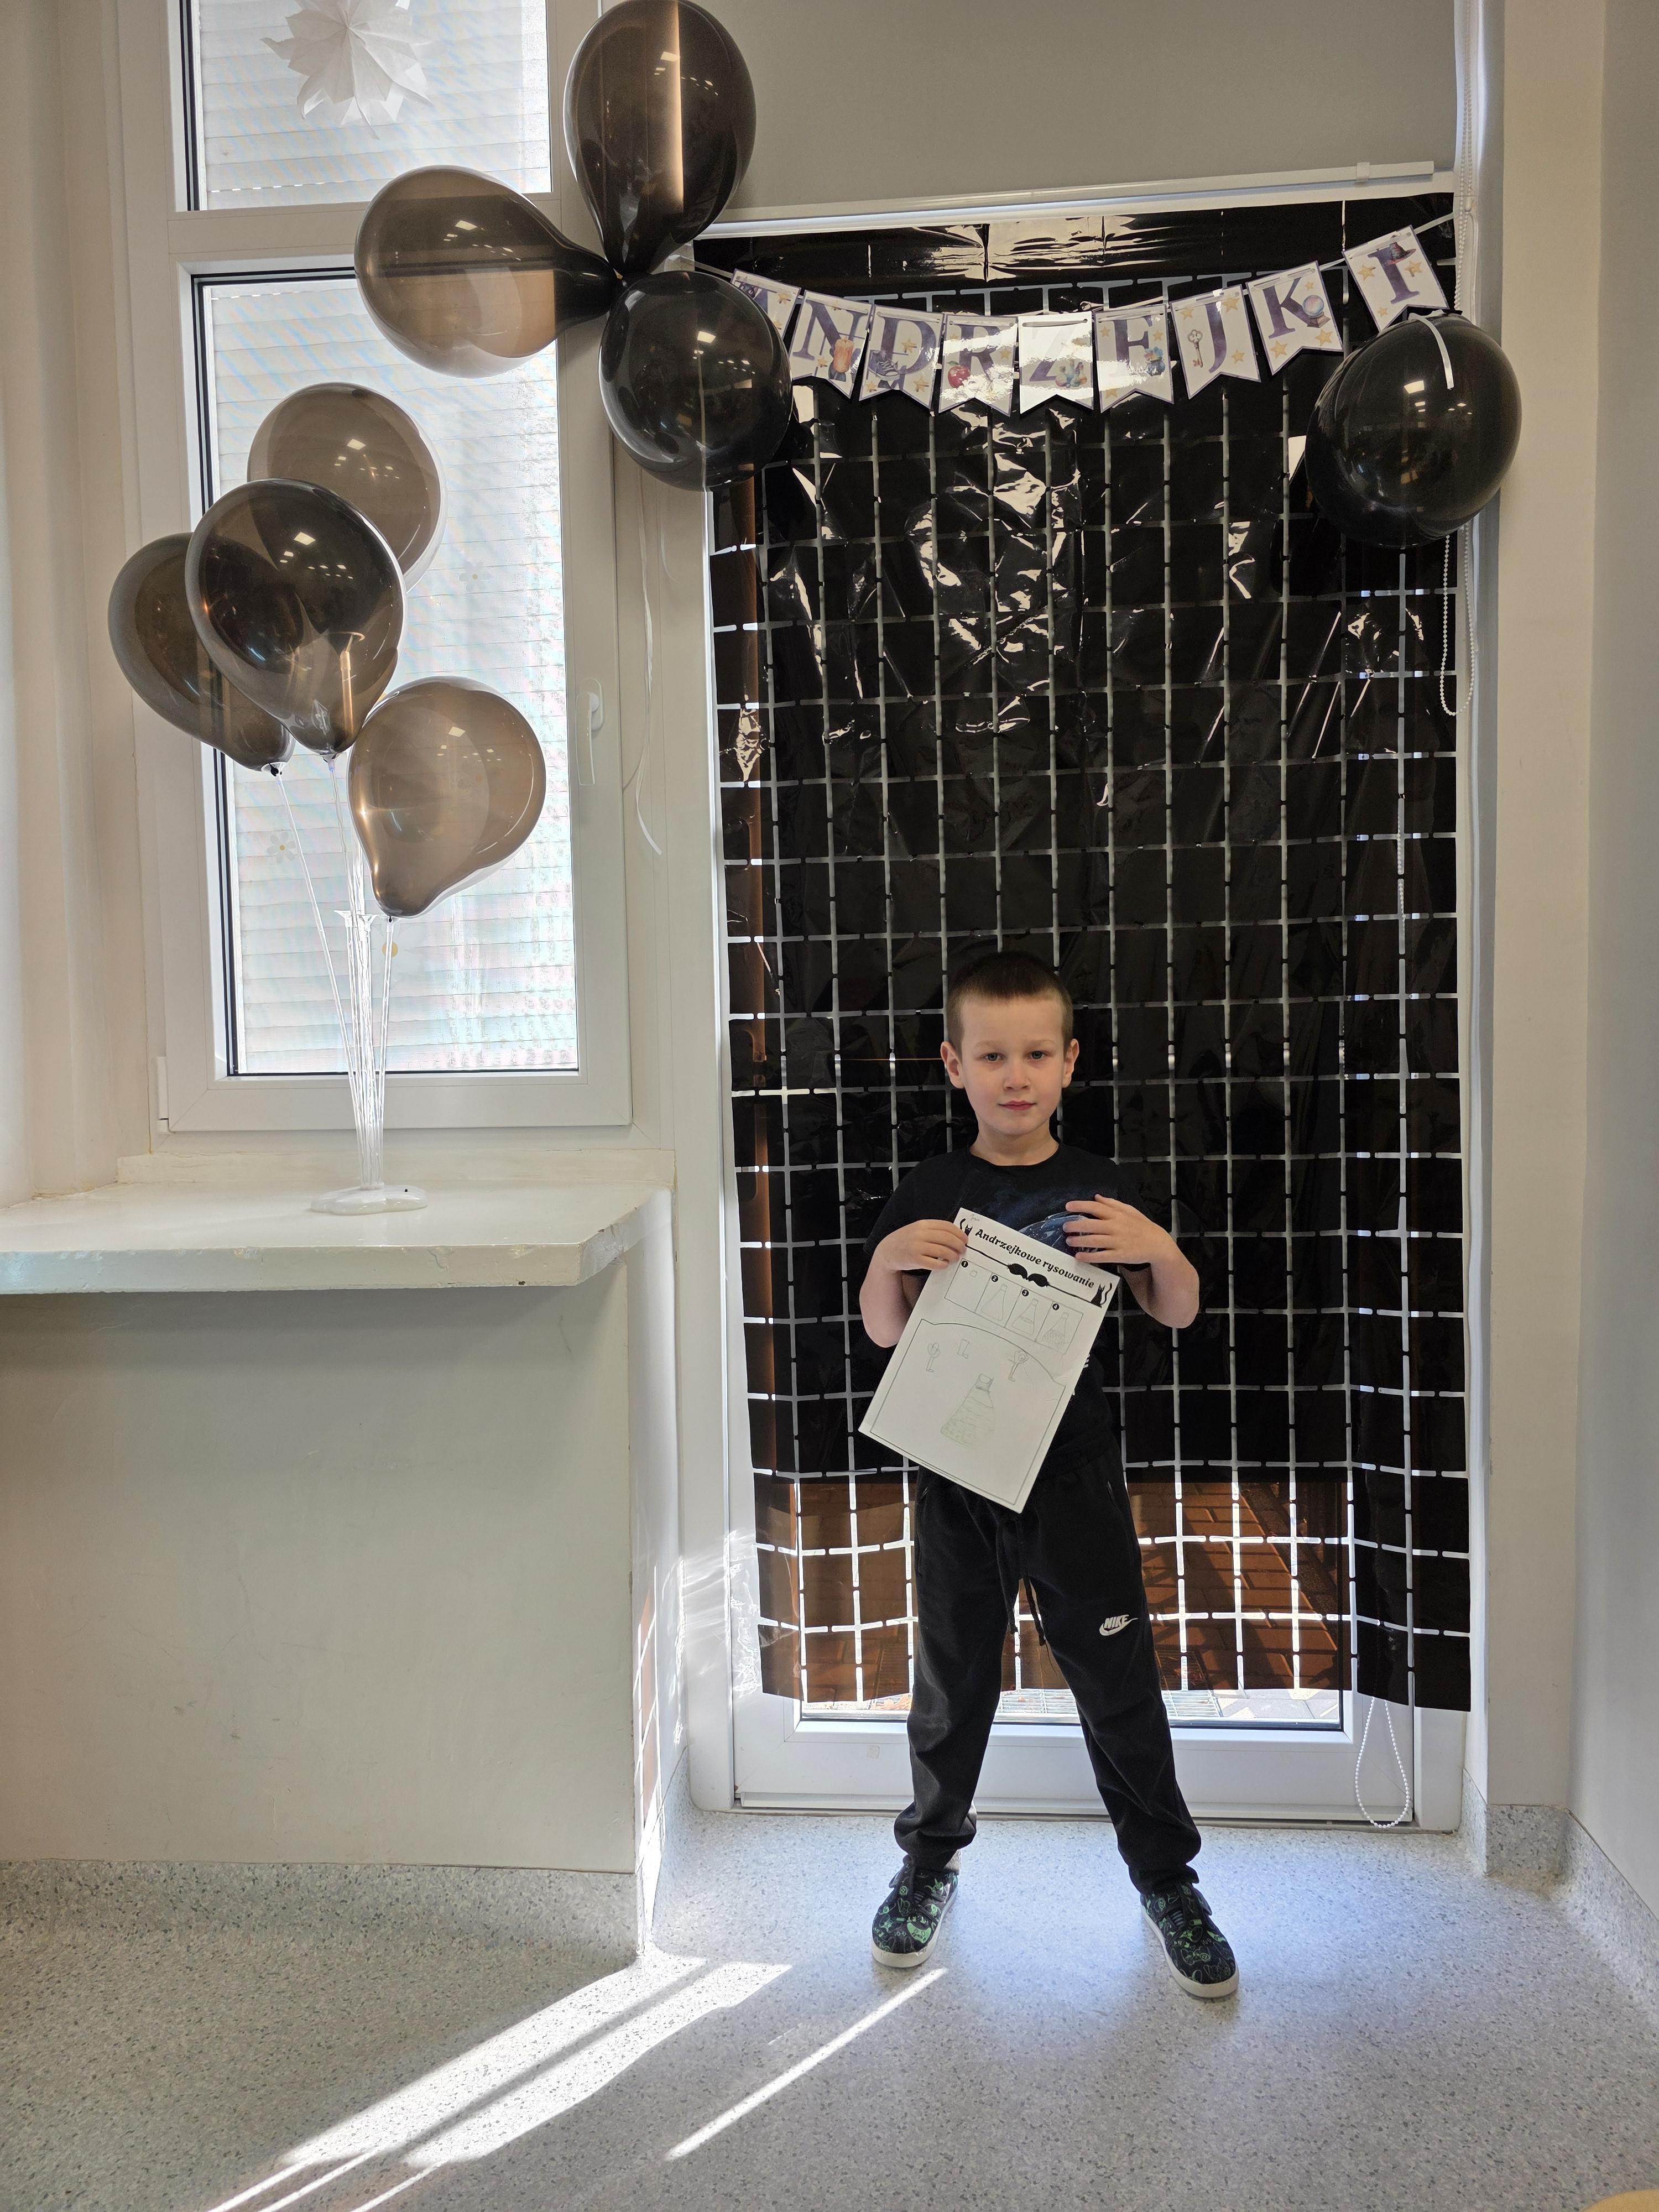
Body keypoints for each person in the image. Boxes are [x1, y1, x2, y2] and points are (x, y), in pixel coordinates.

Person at [858, 948, 1238, 1999]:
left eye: (1035, 1054)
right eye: (992, 1055)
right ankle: (929, 1863)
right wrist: (887, 1260)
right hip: (957, 1476)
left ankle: (1167, 1881)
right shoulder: (933, 1189)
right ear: (955, 1066)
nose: (1014, 1075)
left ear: (1070, 1062)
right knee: (951, 1684)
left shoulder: (1102, 1186)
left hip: (1073, 1477)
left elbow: (1178, 1309)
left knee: (1118, 1687)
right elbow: (884, 1333)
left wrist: (1157, 1243)